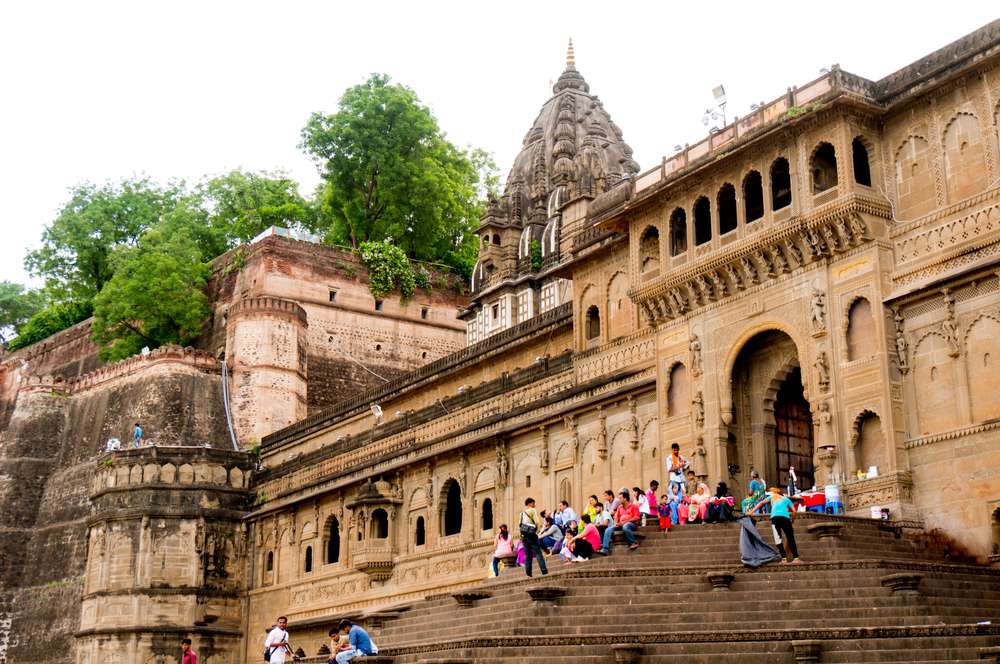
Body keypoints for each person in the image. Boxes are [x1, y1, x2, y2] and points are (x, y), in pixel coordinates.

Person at [749, 487, 802, 564]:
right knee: (790, 538)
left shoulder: (772, 496)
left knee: (778, 539)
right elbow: (794, 511)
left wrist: (751, 512)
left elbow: (761, 503)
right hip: (786, 518)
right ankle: (796, 558)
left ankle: (784, 559)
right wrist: (792, 521)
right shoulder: (786, 499)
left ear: (774, 493)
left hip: (775, 518)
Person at [600, 490, 640, 554]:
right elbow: (616, 517)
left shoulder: (633, 506)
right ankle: (605, 549)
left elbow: (637, 517)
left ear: (625, 498)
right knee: (608, 529)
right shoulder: (620, 507)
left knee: (626, 526)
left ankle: (633, 542)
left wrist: (625, 522)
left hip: (631, 524)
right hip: (621, 524)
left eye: (620, 498)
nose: (619, 500)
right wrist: (616, 523)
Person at [519, 497, 548, 577]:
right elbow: (537, 522)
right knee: (538, 552)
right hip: (531, 534)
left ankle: (528, 573)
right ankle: (544, 570)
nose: (534, 505)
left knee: (528, 555)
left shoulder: (521, 514)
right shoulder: (532, 510)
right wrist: (537, 531)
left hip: (524, 536)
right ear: (530, 503)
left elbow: (520, 525)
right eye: (533, 503)